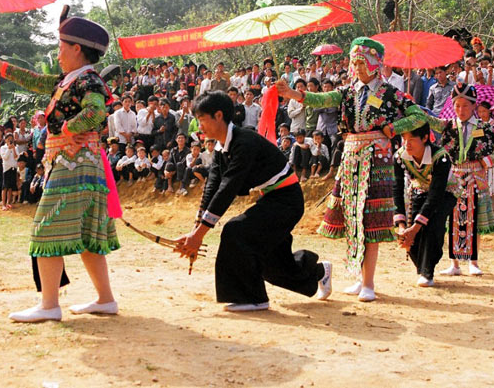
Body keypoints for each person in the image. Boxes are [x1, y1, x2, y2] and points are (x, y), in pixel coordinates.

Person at [0, 7, 119, 323]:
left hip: (73, 164)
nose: (57, 54)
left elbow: (96, 112)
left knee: (46, 228)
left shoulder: (87, 82)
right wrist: (0, 66)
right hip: (82, 165)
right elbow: (34, 80)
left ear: (76, 48)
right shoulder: (72, 80)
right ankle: (105, 299)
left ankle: (49, 305)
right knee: (87, 234)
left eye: (60, 47)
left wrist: (68, 128)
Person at [276, 37, 425, 302]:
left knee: (370, 219)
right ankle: (358, 276)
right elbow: (322, 98)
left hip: (377, 158)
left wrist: (394, 128)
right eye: (354, 63)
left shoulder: (390, 92)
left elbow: (418, 115)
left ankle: (368, 282)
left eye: (361, 63)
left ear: (374, 64)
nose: (357, 68)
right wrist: (293, 94)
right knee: (353, 217)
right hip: (351, 157)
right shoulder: (348, 92)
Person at [174, 92, 333, 312]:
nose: (199, 126)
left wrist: (199, 235)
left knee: (236, 232)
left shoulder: (244, 142)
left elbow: (228, 188)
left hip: (286, 201)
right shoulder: (221, 148)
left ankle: (251, 297)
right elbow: (213, 186)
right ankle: (319, 272)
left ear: (218, 116)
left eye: (202, 119)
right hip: (271, 199)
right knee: (270, 263)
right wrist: (196, 229)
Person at [426, 83, 494, 276]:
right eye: (457, 105)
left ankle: (474, 261)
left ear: (474, 106)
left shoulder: (485, 127)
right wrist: (412, 105)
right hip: (454, 176)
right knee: (452, 220)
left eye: (465, 106)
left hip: (476, 177)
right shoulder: (447, 125)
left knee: (475, 220)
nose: (461, 110)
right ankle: (454, 264)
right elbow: (428, 119)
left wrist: (488, 160)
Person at [392, 121, 456, 287]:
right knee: (413, 233)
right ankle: (422, 268)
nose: (407, 144)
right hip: (419, 190)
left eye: (412, 139)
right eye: (404, 139)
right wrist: (401, 226)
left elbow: (436, 195)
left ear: (425, 138)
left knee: (433, 226)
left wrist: (415, 228)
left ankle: (427, 272)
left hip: (446, 193)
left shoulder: (441, 157)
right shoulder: (399, 157)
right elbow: (396, 189)